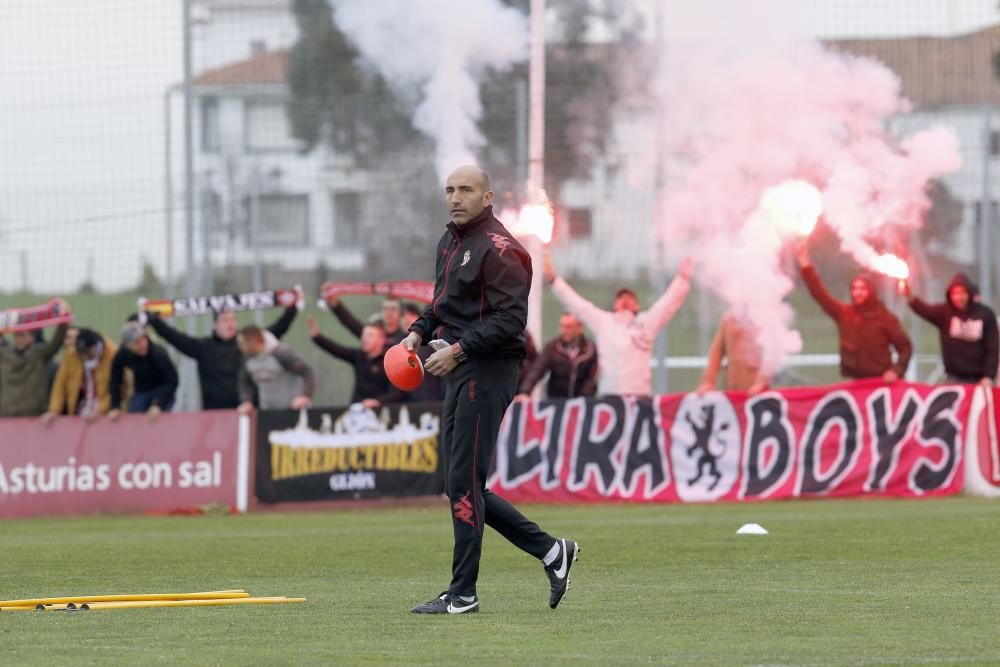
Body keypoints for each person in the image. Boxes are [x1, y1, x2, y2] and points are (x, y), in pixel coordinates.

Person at [404, 165, 578, 615]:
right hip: (460, 366)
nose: (455, 197)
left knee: (463, 484)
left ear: (488, 197)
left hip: (489, 370)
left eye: (466, 190)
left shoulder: (504, 250)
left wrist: (458, 351)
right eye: (449, 190)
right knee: (459, 485)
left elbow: (509, 323)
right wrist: (415, 333)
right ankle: (552, 552)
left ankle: (463, 594)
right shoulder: (450, 242)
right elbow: (441, 304)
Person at [544, 251, 692, 396]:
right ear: (614, 305)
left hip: (639, 396)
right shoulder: (604, 322)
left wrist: (682, 279)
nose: (625, 300)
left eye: (630, 297)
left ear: (637, 307)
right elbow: (577, 304)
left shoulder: (646, 323)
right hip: (611, 396)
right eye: (621, 297)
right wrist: (554, 280)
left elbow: (666, 306)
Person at [794, 242, 911, 381]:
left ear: (871, 291)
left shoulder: (885, 318)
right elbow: (819, 294)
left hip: (880, 384)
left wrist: (895, 371)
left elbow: (905, 348)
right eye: (854, 288)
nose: (857, 293)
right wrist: (805, 263)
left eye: (862, 289)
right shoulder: (845, 314)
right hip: (856, 385)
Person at [146, 305, 297, 410]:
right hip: (215, 415)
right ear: (215, 324)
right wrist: (154, 321)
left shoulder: (246, 345)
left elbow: (277, 329)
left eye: (232, 319)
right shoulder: (203, 347)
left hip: (245, 411)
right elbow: (175, 338)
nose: (230, 324)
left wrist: (292, 308)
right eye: (225, 320)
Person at [903, 273, 998, 386]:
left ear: (969, 293)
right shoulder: (945, 313)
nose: (958, 297)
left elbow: (992, 348)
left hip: (979, 381)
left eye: (962, 292)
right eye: (955, 293)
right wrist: (909, 295)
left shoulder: (985, 314)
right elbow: (924, 310)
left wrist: (988, 376)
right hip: (953, 379)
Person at [308, 317, 402, 408]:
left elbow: (398, 393)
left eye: (370, 335)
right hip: (356, 409)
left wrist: (378, 402)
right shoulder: (359, 356)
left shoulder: (389, 361)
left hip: (381, 412)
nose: (364, 339)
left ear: (382, 339)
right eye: (364, 335)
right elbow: (337, 350)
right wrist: (317, 337)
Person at [0, 303, 69, 417]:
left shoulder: (39, 353)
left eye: (22, 335)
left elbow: (56, 343)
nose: (18, 339)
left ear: (32, 337)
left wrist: (63, 323)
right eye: (16, 335)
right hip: (6, 414)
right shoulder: (4, 354)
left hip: (32, 414)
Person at [515, 312, 599, 401]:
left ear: (579, 328)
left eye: (568, 327)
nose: (564, 330)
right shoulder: (553, 347)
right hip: (556, 402)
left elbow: (591, 378)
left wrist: (584, 398)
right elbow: (537, 369)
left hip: (582, 402)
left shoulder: (590, 350)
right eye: (562, 326)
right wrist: (525, 392)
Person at [107, 321, 178, 423]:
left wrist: (158, 404)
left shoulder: (157, 353)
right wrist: (115, 407)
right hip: (142, 390)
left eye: (143, 339)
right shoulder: (122, 354)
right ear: (127, 344)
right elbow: (115, 380)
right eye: (137, 342)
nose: (143, 344)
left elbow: (172, 380)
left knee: (160, 419)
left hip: (162, 388)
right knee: (134, 419)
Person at [45, 327, 122, 421]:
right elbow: (60, 384)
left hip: (105, 414)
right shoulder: (72, 355)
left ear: (95, 347)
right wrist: (54, 410)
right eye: (81, 354)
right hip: (81, 410)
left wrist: (100, 410)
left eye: (87, 353)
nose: (84, 357)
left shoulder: (113, 355)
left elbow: (118, 388)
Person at [236, 325, 315, 412]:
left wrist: (305, 396)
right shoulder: (247, 359)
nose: (239, 347)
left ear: (257, 342)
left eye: (243, 343)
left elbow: (307, 372)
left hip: (294, 411)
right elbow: (244, 381)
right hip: (269, 412)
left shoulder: (280, 353)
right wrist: (247, 401)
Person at [696, 308, 769, 395]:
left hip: (757, 393)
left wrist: (762, 381)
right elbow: (717, 351)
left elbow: (772, 352)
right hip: (731, 390)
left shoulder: (766, 317)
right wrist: (707, 382)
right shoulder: (729, 318)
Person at [320, 289, 407, 345]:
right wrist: (336, 305)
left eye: (393, 309)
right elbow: (351, 324)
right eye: (385, 308)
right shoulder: (373, 333)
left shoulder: (406, 337)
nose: (389, 312)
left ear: (401, 312)